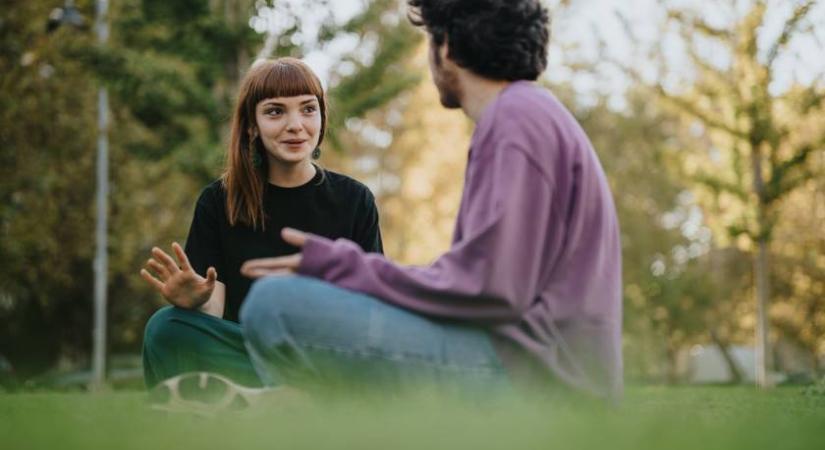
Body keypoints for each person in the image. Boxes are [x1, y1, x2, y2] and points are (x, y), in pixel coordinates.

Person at [238, 0, 623, 400]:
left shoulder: (515, 121)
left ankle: (298, 420)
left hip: (536, 379)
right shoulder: (530, 113)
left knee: (274, 304)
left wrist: (341, 266)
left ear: (447, 47)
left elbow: (489, 288)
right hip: (539, 366)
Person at [139, 57, 383, 389]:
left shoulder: (356, 200)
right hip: (249, 356)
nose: (295, 124)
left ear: (322, 117)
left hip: (325, 358)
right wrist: (196, 302)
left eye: (308, 109)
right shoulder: (218, 201)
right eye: (275, 111)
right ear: (252, 125)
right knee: (165, 328)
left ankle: (292, 399)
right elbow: (215, 308)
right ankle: (278, 400)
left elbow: (371, 310)